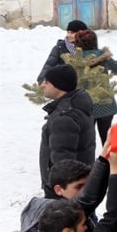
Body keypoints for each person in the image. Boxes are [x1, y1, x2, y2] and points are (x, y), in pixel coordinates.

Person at [38, 63, 96, 192]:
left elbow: (63, 163)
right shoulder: (78, 104)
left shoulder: (64, 117)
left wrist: (61, 191)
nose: (42, 85)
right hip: (79, 186)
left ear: (58, 85)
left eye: (46, 81)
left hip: (64, 190)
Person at [74, 30, 117, 146]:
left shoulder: (75, 60)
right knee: (106, 137)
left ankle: (88, 162)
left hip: (84, 105)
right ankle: (109, 162)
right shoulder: (103, 56)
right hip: (105, 102)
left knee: (87, 139)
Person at [36, 19, 88, 85]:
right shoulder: (59, 48)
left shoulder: (89, 46)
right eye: (68, 32)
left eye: (72, 33)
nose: (68, 35)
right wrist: (42, 80)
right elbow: (49, 65)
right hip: (64, 85)